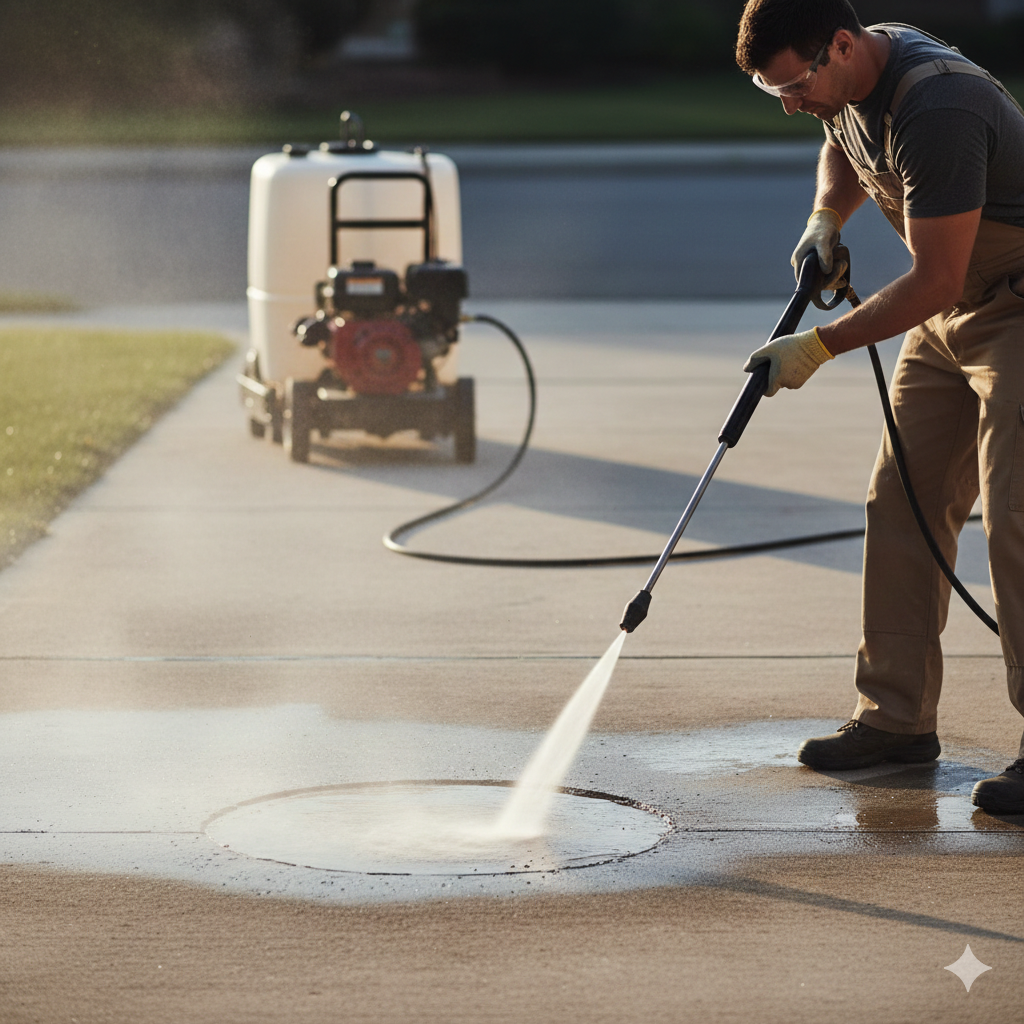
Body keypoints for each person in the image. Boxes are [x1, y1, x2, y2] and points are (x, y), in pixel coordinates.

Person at [734, 0, 1024, 813]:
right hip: (949, 310)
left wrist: (817, 348)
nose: (792, 104)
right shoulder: (850, 84)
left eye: (795, 85)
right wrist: (825, 217)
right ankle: (895, 720)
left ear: (841, 44)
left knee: (1016, 514)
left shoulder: (938, 105)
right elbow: (842, 144)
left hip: (1014, 308)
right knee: (900, 500)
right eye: (773, 94)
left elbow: (932, 276)